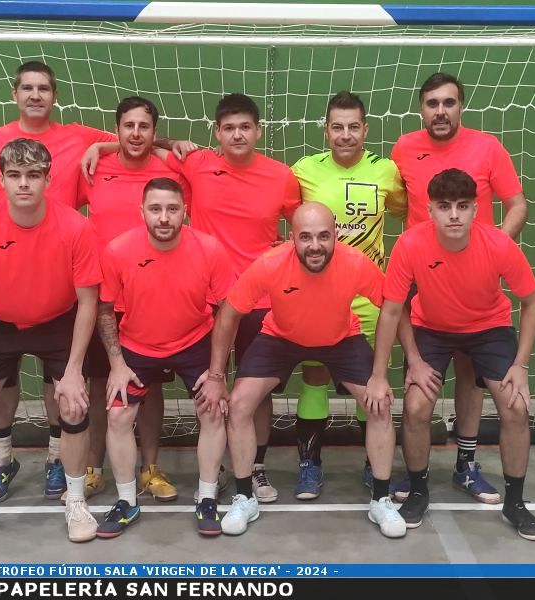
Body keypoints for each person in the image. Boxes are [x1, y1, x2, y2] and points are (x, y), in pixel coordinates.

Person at [0, 60, 117, 504]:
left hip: (57, 288)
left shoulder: (78, 138)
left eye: (43, 88)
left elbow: (133, 139)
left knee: (60, 388)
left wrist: (154, 144)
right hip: (2, 280)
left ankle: (54, 462)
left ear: (54, 95)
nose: (35, 95)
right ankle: (2, 463)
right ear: (14, 93)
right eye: (26, 87)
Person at [196, 202, 406, 539]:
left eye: (324, 236)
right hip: (280, 337)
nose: (315, 245)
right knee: (238, 405)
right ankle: (244, 497)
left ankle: (381, 499)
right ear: (291, 237)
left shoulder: (356, 264)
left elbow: (394, 309)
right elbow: (229, 314)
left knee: (378, 403)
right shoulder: (269, 264)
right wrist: (217, 375)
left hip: (341, 338)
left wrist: (386, 374)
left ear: (335, 233)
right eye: (305, 237)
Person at [366, 168, 535, 541]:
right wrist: (399, 365)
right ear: (429, 210)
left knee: (515, 406)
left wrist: (521, 365)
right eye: (444, 206)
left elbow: (531, 302)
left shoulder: (498, 245)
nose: (453, 215)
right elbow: (393, 310)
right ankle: (418, 492)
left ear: (475, 210)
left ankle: (515, 503)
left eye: (462, 206)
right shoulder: (411, 245)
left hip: (489, 328)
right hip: (431, 329)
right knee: (416, 406)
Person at [0, 139, 100, 550]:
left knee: (73, 403)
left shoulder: (76, 227)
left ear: (48, 179)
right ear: (1, 180)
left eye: (33, 175)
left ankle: (75, 500)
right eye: (14, 176)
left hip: (58, 321)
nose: (24, 185)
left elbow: (88, 302)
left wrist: (72, 373)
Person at [388, 72, 528, 504]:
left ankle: (466, 465)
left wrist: (493, 251)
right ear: (421, 109)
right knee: (420, 381)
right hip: (425, 278)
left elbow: (517, 203)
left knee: (470, 373)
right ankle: (413, 476)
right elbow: (398, 206)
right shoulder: (403, 149)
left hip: (477, 284)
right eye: (432, 103)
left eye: (449, 102)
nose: (441, 111)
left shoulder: (487, 147)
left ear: (461, 106)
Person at [161, 93, 302, 502]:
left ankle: (256, 468)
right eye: (228, 128)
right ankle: (218, 468)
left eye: (245, 127)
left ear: (258, 131)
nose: (237, 134)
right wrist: (172, 143)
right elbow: (140, 140)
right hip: (208, 301)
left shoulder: (281, 176)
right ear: (217, 133)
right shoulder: (199, 163)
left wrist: (285, 249)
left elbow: (304, 229)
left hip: (261, 303)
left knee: (253, 392)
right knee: (211, 387)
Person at [95, 178, 234, 537]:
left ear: (184, 211)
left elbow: (228, 311)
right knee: (118, 415)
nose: (164, 218)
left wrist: (217, 373)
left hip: (195, 342)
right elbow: (105, 309)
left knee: (213, 409)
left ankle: (206, 498)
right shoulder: (117, 250)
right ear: (141, 212)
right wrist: (117, 365)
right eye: (155, 209)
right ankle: (127, 502)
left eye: (172, 209)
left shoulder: (210, 249)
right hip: (137, 346)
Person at [75, 96, 192, 504]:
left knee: (149, 385)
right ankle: (93, 469)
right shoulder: (92, 167)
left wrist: (172, 144)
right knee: (96, 384)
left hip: (153, 293)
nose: (136, 134)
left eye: (144, 126)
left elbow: (189, 151)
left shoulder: (170, 166)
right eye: (128, 126)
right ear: (117, 129)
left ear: (154, 131)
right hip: (101, 295)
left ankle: (150, 469)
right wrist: (102, 148)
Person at [290, 91, 406, 499]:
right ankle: (309, 466)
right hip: (319, 299)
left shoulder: (386, 171)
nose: (345, 135)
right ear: (325, 131)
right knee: (316, 376)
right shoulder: (304, 171)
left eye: (353, 127)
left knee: (370, 383)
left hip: (371, 299)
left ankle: (374, 467)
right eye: (336, 127)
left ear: (365, 129)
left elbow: (407, 212)